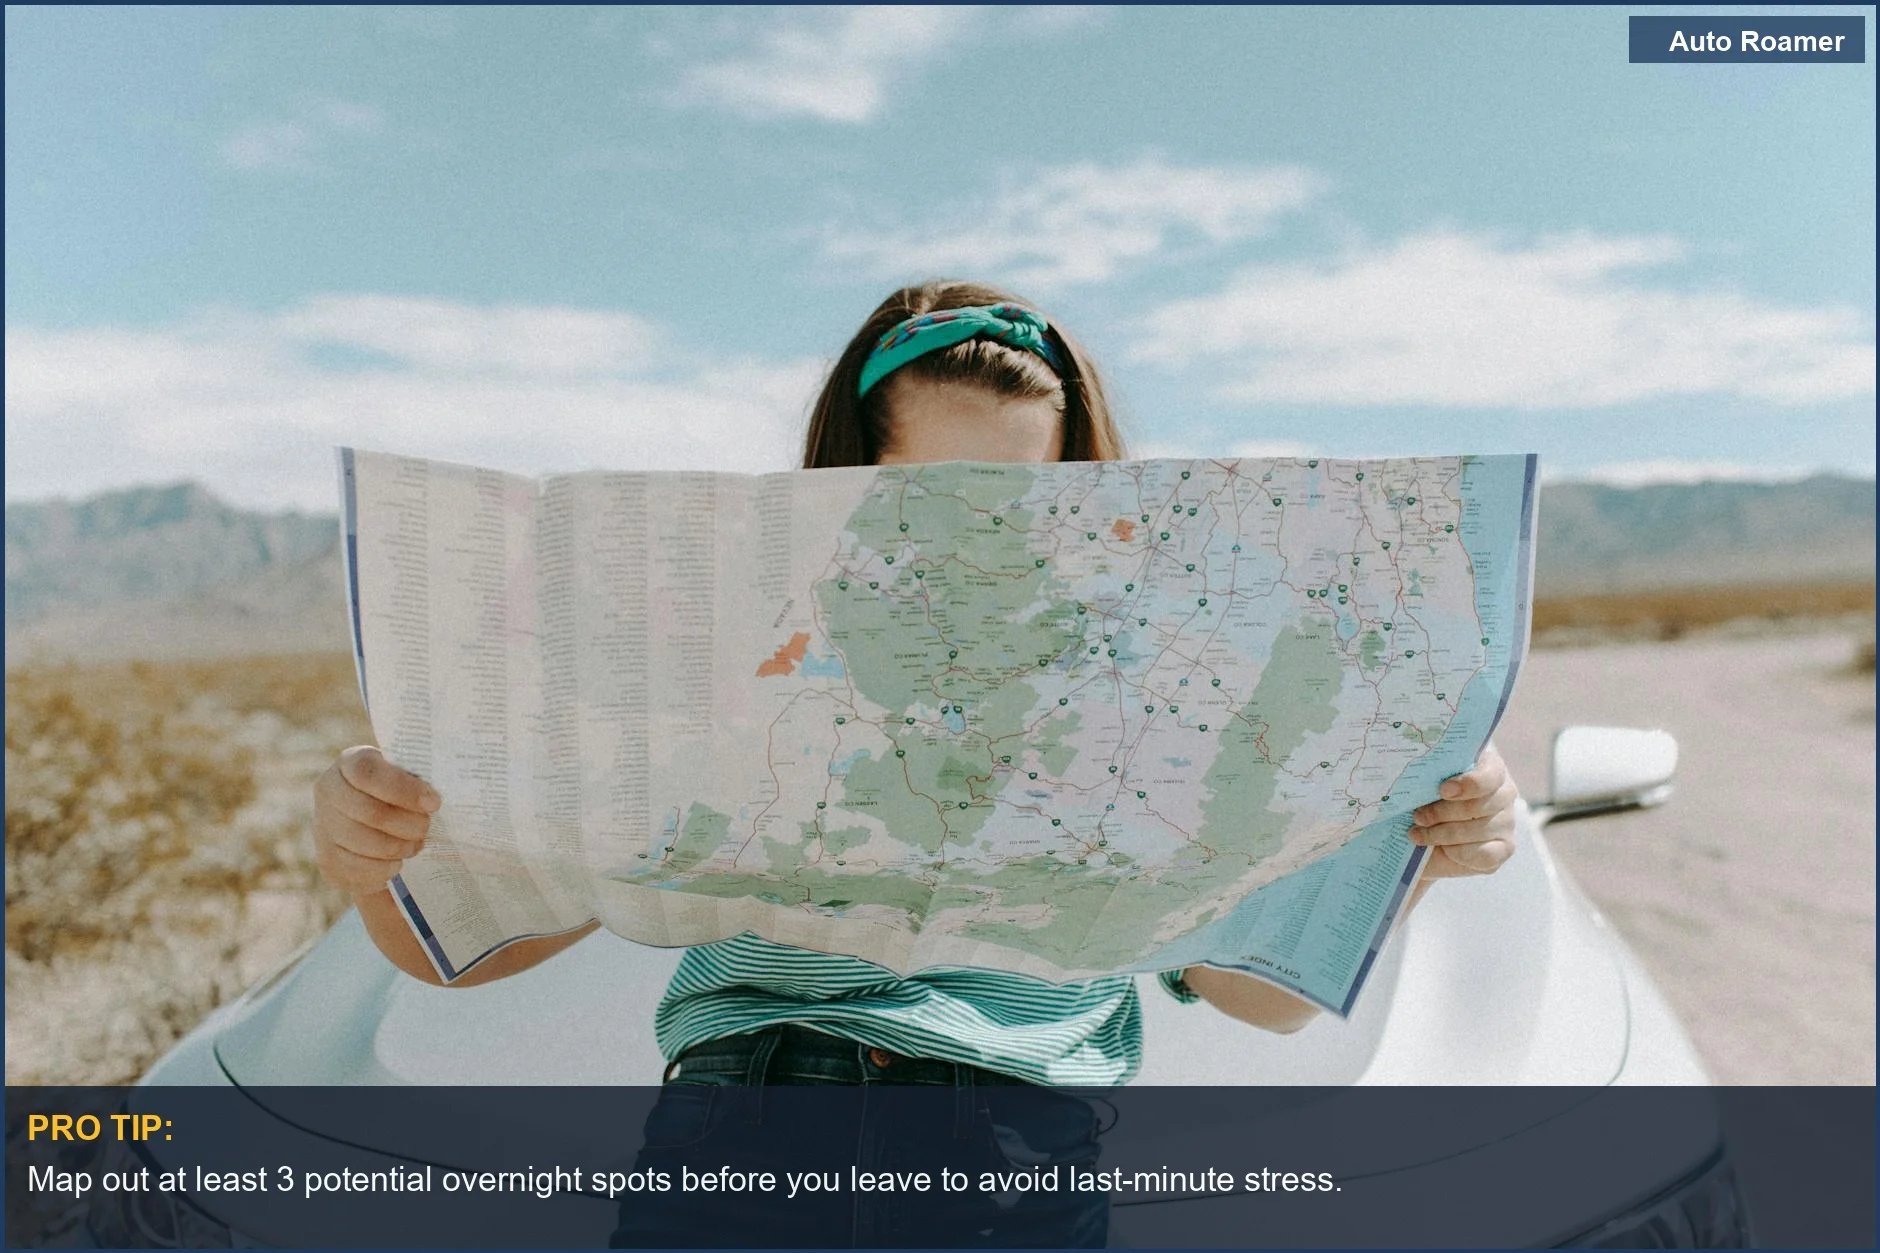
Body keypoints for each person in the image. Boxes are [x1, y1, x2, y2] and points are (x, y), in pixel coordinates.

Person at [312, 280, 1521, 1246]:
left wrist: (1409, 849)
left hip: (1016, 1165)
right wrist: (378, 855)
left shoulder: (1166, 677)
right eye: (930, 494)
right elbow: (465, 952)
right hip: (743, 1131)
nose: (973, 534)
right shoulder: (723, 644)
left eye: (1018, 498)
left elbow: (1258, 997)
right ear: (846, 480)